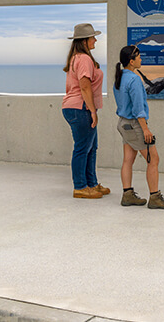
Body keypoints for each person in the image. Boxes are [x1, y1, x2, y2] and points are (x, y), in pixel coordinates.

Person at [113, 45, 164, 209]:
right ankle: (154, 197)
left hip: (123, 124)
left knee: (128, 159)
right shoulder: (134, 80)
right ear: (131, 61)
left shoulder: (120, 78)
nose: (141, 59)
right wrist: (145, 129)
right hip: (135, 125)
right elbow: (138, 108)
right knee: (154, 159)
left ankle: (127, 195)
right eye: (138, 57)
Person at [62, 23, 110, 199]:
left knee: (91, 147)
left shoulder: (77, 58)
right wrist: (92, 111)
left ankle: (92, 183)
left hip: (77, 107)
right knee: (83, 148)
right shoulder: (83, 59)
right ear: (84, 41)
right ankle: (80, 187)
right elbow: (84, 86)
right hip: (80, 108)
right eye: (93, 37)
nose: (95, 40)